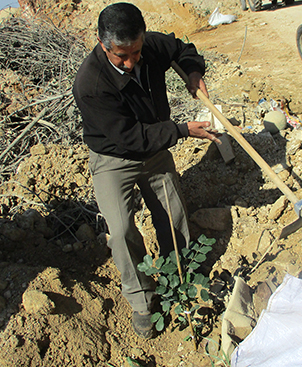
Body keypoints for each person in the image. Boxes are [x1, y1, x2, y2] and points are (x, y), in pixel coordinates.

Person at [72, 2, 220, 339]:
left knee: (173, 214)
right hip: (113, 158)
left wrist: (192, 69)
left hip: (153, 150)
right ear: (101, 42)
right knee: (122, 229)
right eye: (120, 56)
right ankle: (143, 299)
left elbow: (181, 48)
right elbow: (129, 138)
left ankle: (181, 275)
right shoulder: (90, 84)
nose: (130, 62)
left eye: (135, 52)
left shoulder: (148, 46)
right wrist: (182, 130)